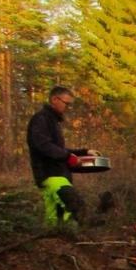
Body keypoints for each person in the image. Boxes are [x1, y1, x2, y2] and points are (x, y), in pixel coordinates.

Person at [26, 86, 96, 226]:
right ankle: (68, 236)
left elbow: (58, 150)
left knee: (54, 216)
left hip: (58, 175)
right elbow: (43, 146)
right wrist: (68, 157)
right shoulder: (41, 119)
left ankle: (54, 238)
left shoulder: (53, 121)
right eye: (66, 103)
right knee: (74, 205)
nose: (68, 107)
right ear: (54, 99)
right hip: (50, 175)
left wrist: (83, 152)